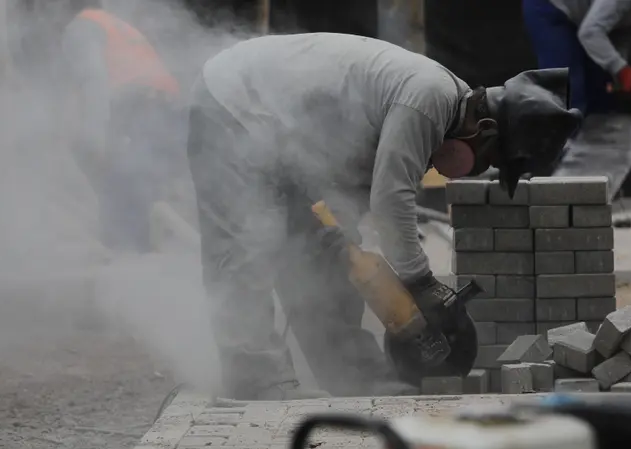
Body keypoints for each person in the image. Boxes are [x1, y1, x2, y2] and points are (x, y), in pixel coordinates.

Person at [187, 33, 582, 401]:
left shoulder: (435, 108)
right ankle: (257, 382)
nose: (478, 171)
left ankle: (355, 376)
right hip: (233, 104)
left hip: (283, 134)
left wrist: (341, 232)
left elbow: (354, 179)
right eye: (488, 163)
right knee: (243, 247)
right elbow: (391, 200)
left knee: (326, 254)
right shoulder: (429, 99)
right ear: (485, 129)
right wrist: (422, 284)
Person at [60, 0, 182, 253]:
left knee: (120, 204)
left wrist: (94, 139)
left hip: (140, 112)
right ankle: (157, 270)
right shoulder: (114, 24)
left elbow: (94, 81)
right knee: (144, 203)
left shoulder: (81, 27)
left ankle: (128, 270)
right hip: (168, 112)